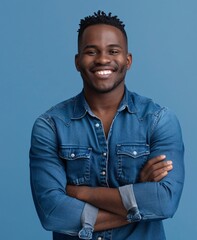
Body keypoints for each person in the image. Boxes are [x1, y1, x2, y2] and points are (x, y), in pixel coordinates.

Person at [29, 10, 185, 240]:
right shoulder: (50, 126)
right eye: (91, 51)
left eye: (113, 51)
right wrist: (138, 199)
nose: (102, 59)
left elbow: (165, 202)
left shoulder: (159, 120)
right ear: (77, 61)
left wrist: (80, 193)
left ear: (128, 60)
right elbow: (53, 213)